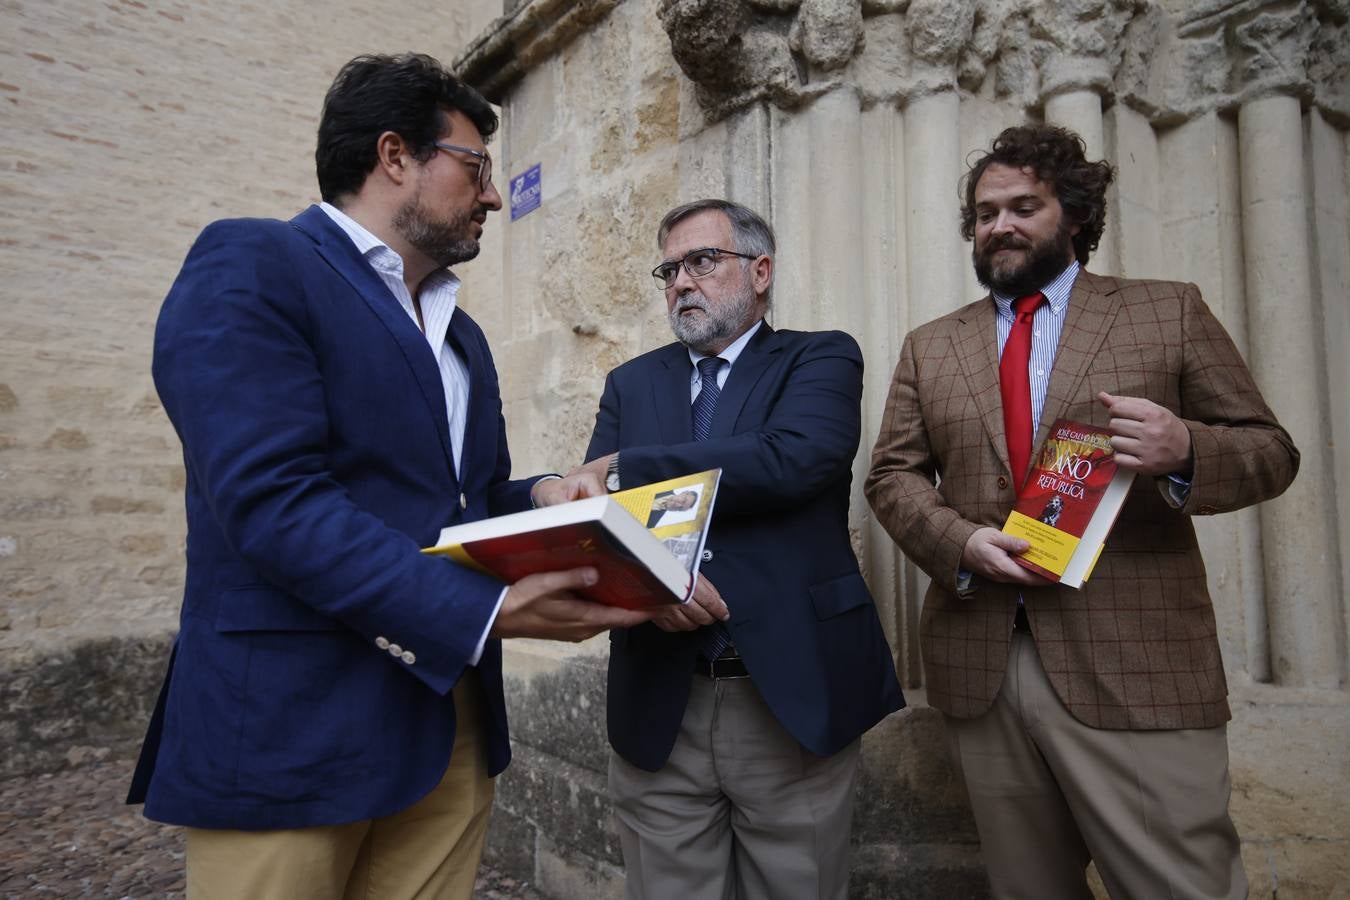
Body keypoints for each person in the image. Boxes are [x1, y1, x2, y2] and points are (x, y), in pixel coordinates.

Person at [126, 53, 652, 900]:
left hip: (448, 725)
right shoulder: (254, 261)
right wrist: (481, 613)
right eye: (475, 167)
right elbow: (272, 502)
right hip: (293, 731)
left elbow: (464, 503)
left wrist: (543, 496)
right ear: (395, 155)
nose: (492, 195)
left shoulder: (460, 333)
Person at [865, 124, 1299, 899]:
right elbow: (893, 475)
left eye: (1023, 206)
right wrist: (959, 541)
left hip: (1136, 663)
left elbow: (1271, 450)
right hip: (984, 663)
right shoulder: (932, 345)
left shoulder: (1166, 310)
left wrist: (1185, 448)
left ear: (1073, 213)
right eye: (985, 213)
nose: (999, 225)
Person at [574, 199, 905, 900]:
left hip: (787, 693)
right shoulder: (631, 383)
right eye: (669, 270)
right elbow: (597, 514)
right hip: (662, 698)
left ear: (760, 272)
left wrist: (629, 467)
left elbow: (792, 459)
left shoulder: (820, 356)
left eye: (702, 261)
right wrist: (650, 585)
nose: (681, 283)